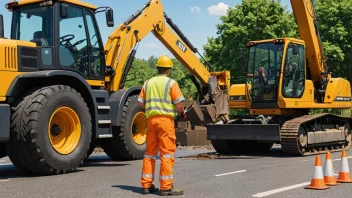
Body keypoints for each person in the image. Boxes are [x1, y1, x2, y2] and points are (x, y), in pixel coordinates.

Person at [138, 55, 186, 196]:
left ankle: (146, 186)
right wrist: (182, 112)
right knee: (166, 154)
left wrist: (151, 107)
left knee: (149, 153)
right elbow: (179, 105)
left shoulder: (148, 83)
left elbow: (140, 102)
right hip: (165, 122)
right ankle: (166, 187)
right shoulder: (171, 83)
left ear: (157, 68)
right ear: (168, 70)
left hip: (151, 121)